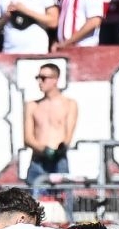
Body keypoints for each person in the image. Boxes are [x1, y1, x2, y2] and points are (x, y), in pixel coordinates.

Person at [23, 63, 79, 193]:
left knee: (61, 200)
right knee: (33, 202)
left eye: (43, 78)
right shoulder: (32, 105)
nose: (40, 82)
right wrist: (44, 150)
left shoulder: (69, 104)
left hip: (59, 160)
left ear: (55, 80)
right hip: (38, 160)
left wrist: (58, 150)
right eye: (38, 77)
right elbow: (27, 138)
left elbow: (68, 135)